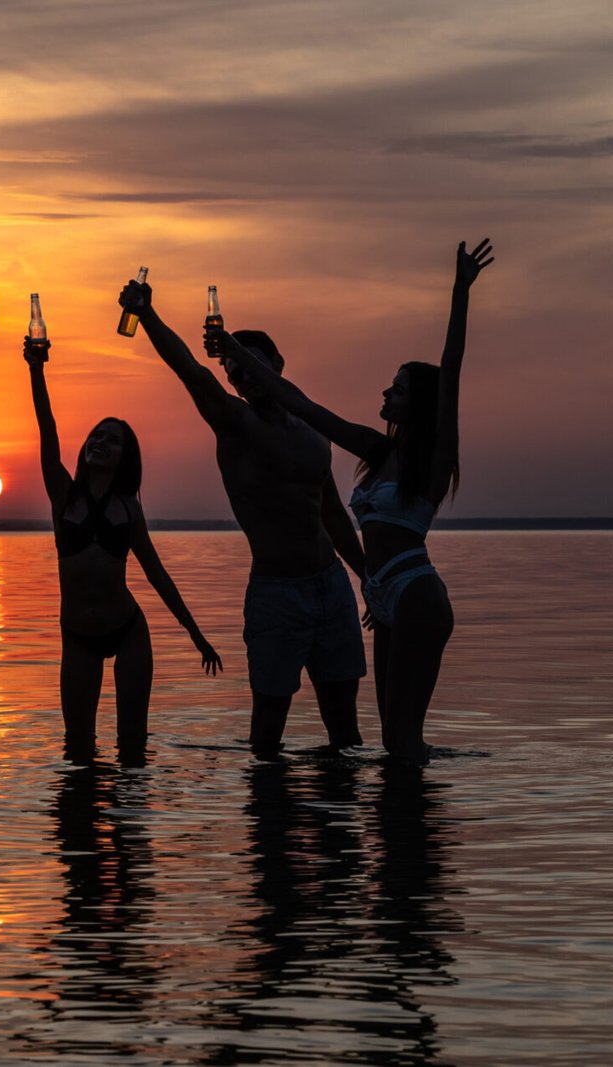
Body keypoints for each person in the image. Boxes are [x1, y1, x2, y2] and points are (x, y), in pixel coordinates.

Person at [213, 239, 494, 765]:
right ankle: (399, 835)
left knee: (404, 739)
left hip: (416, 592)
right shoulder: (375, 448)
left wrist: (460, 291)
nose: (386, 394)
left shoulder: (434, 461)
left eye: (398, 390)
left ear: (421, 406)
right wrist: (232, 348)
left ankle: (414, 840)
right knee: (392, 740)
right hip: (383, 593)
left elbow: (451, 371)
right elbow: (301, 403)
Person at [118, 278, 367, 755]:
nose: (240, 377)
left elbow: (332, 513)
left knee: (346, 734)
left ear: (277, 365)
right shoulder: (237, 424)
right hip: (277, 593)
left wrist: (368, 578)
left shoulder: (313, 431)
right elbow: (188, 368)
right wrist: (147, 315)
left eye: (248, 365)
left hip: (332, 587)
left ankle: (346, 822)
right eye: (233, 370)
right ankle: (269, 822)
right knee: (267, 738)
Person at [23, 335, 222, 759]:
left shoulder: (129, 507)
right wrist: (36, 370)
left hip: (128, 629)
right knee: (78, 749)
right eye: (97, 435)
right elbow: (47, 428)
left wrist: (195, 634)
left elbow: (155, 573)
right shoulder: (63, 494)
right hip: (77, 635)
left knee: (132, 747)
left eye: (112, 440)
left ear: (124, 457)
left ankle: (131, 819)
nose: (100, 442)